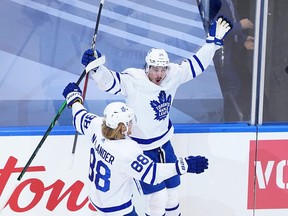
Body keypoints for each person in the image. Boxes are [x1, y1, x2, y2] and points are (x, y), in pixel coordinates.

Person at [81, 16, 232, 216]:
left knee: (172, 195)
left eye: (162, 69)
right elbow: (109, 82)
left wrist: (212, 44)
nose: (159, 73)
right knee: (157, 197)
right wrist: (97, 69)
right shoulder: (134, 80)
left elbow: (196, 65)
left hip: (164, 144)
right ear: (147, 67)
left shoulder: (173, 75)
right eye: (155, 69)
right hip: (142, 149)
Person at [62, 82, 209, 216]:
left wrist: (74, 98)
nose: (132, 124)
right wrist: (184, 166)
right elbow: (153, 174)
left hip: (97, 200)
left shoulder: (96, 125)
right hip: (118, 209)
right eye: (129, 122)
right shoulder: (127, 151)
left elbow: (79, 117)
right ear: (123, 127)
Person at [213, 0, 254, 121]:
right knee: (231, 86)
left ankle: (225, 119)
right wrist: (240, 26)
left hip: (227, 55)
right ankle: (223, 119)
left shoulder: (228, 2)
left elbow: (231, 21)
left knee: (233, 85)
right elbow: (214, 29)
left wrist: (243, 39)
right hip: (217, 56)